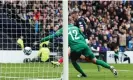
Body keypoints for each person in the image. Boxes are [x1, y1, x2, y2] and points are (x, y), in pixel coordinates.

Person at [41, 24, 118, 77]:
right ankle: (110, 67)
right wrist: (85, 44)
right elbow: (84, 36)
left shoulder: (62, 29)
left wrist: (43, 39)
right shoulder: (75, 28)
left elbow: (53, 36)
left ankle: (83, 74)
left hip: (75, 47)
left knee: (73, 61)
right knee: (95, 60)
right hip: (84, 45)